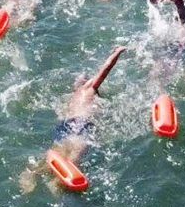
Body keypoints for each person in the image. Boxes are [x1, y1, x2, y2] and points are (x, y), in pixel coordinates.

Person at [22, 46, 127, 193]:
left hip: (64, 125)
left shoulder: (72, 98)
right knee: (74, 156)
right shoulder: (89, 89)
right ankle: (56, 185)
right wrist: (117, 53)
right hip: (82, 124)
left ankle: (32, 174)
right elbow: (106, 68)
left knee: (58, 151)